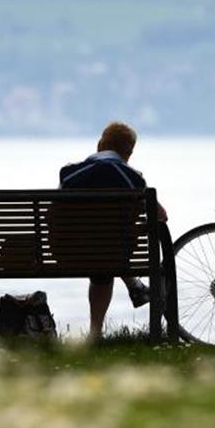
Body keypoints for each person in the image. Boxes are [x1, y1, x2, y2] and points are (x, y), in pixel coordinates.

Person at [59, 121, 168, 338]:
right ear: (128, 153)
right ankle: (132, 286)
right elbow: (161, 216)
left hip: (67, 253)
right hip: (115, 253)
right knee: (110, 245)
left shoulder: (69, 173)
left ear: (100, 144)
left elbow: (57, 214)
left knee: (100, 247)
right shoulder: (134, 179)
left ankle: (98, 328)